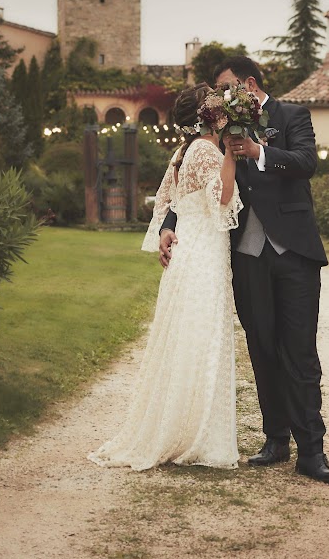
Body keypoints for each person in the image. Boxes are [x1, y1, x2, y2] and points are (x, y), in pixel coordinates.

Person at [159, 57, 329, 483]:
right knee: (262, 346)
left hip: (294, 253)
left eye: (225, 89)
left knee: (300, 351)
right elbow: (188, 179)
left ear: (249, 84)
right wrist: (169, 224)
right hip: (247, 255)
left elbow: (306, 162)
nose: (219, 99)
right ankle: (275, 439)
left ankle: (311, 450)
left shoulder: (292, 115)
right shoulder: (216, 132)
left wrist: (259, 152)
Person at [89, 83, 242, 470]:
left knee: (187, 337)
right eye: (217, 106)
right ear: (209, 117)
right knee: (203, 339)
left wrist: (166, 230)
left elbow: (168, 203)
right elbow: (223, 199)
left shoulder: (183, 151)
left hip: (190, 252)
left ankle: (183, 426)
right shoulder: (207, 151)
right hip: (203, 254)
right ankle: (197, 436)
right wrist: (233, 155)